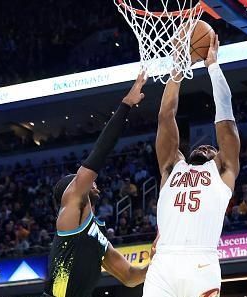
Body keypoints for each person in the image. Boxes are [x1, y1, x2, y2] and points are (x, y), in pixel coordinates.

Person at [143, 33, 240, 297]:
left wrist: (213, 67)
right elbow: (165, 116)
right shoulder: (171, 167)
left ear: (220, 159)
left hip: (201, 261)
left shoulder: (224, 173)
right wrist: (178, 66)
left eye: (212, 148)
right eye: (201, 146)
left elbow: (226, 119)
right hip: (162, 263)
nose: (205, 146)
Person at [43, 73, 152, 297]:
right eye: (76, 179)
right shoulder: (70, 212)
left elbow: (131, 277)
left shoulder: (96, 235)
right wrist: (126, 105)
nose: (90, 180)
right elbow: (99, 153)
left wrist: (159, 262)